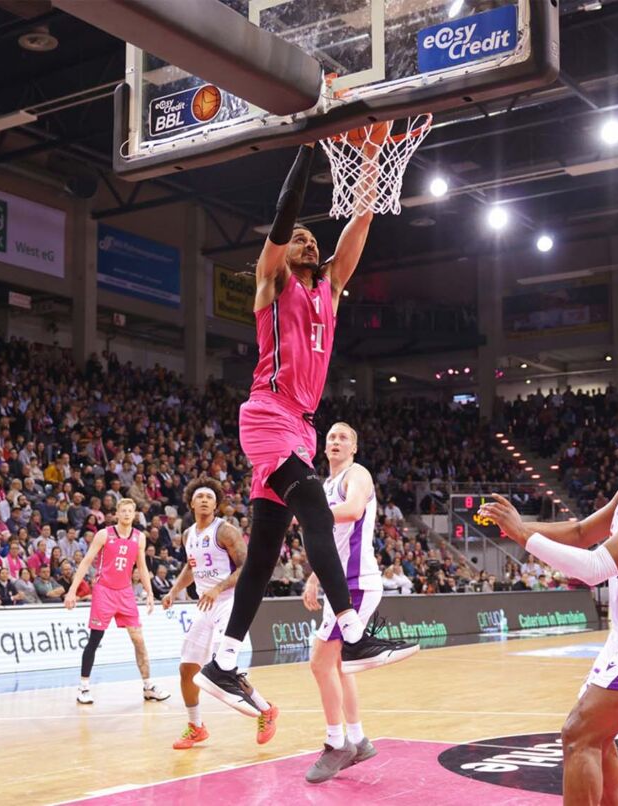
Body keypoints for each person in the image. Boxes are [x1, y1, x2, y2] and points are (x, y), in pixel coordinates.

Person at [195, 132, 416, 716]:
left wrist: (370, 160)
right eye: (299, 238)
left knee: (265, 551)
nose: (308, 240)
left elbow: (360, 224)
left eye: (313, 238)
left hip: (301, 425)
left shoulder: (331, 290)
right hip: (267, 414)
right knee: (313, 502)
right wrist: (308, 146)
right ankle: (352, 628)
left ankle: (223, 660)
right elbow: (283, 213)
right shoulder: (272, 284)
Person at [479, 406, 618, 806]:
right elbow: (582, 532)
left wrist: (525, 536)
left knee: (578, 733)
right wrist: (518, 528)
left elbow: (595, 567)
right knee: (596, 738)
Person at [301, 422, 388, 782]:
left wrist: (308, 514)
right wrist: (313, 576)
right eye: (331, 438)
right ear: (325, 448)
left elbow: (352, 511)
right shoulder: (324, 485)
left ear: (353, 447)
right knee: (338, 667)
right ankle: (357, 739)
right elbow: (329, 540)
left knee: (320, 663)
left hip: (356, 583)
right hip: (338, 581)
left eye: (343, 438)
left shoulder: (358, 474)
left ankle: (336, 743)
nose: (336, 441)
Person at [164, 478, 276, 749]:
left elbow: (246, 568)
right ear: (191, 502)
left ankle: (266, 709)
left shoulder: (226, 531)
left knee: (223, 668)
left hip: (230, 604)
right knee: (187, 668)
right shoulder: (188, 534)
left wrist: (217, 587)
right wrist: (173, 591)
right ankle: (196, 726)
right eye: (200, 496)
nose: (205, 500)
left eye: (210, 497)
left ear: (216, 504)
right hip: (205, 607)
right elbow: (191, 568)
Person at [64, 498, 170, 704]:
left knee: (138, 639)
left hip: (125, 592)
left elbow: (142, 567)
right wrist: (72, 590)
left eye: (131, 511)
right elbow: (86, 561)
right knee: (95, 639)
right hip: (103, 590)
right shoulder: (104, 534)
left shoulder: (139, 537)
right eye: (123, 511)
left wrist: (149, 593)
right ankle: (84, 687)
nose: (127, 514)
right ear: (117, 514)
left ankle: (148, 686)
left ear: (135, 514)